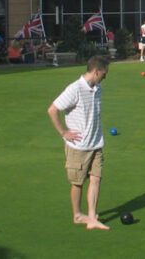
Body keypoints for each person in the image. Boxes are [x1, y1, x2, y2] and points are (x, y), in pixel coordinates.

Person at [47, 55, 110, 231]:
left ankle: (91, 216)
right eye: (104, 73)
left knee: (96, 178)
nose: (106, 76)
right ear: (96, 71)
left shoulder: (98, 88)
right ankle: (77, 214)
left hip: (96, 143)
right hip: (79, 146)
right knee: (77, 183)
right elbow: (52, 110)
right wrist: (64, 132)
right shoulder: (74, 89)